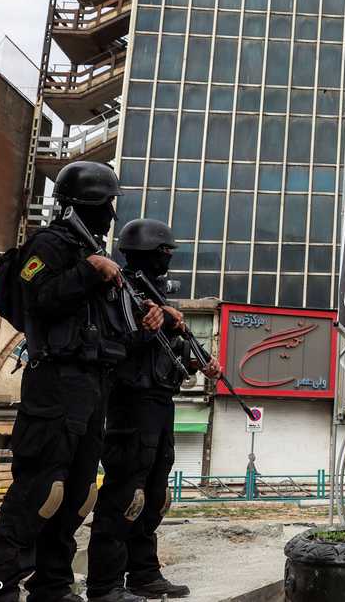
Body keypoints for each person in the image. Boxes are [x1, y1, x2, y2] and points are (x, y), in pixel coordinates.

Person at [0, 162, 163, 602]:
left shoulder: (92, 253)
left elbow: (110, 336)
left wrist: (147, 325)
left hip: (92, 385)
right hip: (55, 382)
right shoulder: (50, 244)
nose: (111, 214)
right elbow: (38, 298)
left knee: (77, 495)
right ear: (82, 203)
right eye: (105, 203)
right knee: (40, 489)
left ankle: (52, 585)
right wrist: (88, 272)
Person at [86, 219, 221, 601]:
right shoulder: (117, 289)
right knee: (125, 491)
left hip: (160, 400)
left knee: (155, 494)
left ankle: (143, 573)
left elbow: (169, 350)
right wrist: (150, 326)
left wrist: (198, 362)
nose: (168, 258)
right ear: (145, 252)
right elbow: (115, 344)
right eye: (163, 251)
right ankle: (105, 584)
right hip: (131, 401)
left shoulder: (157, 294)